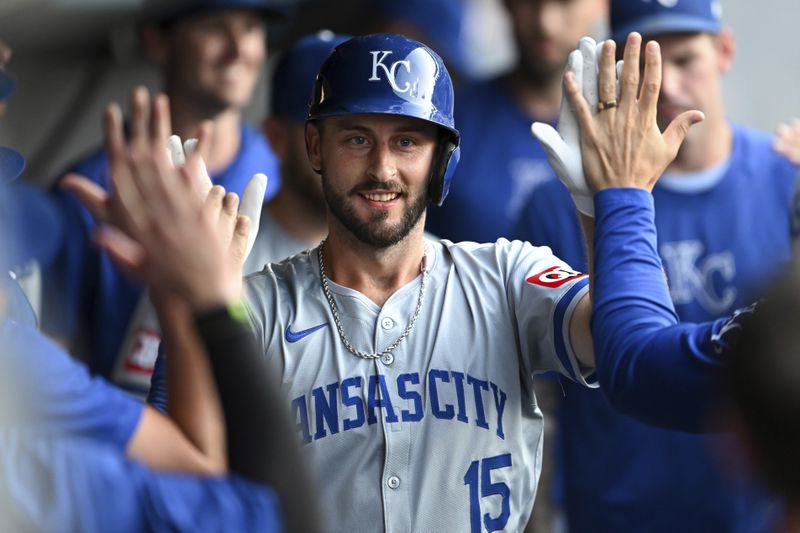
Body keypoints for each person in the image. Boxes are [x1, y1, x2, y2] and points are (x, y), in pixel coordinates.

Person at [223, 32, 703, 531]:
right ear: (315, 148)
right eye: (356, 138)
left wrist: (599, 205)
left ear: (442, 160)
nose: (381, 168)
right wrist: (189, 297)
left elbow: (623, 345)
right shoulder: (256, 306)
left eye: (406, 141)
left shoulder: (506, 277)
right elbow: (176, 463)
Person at [515, 0, 800, 531]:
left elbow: (639, 363)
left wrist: (610, 201)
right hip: (614, 515)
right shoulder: (551, 206)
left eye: (685, 59)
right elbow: (537, 385)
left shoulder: (786, 179)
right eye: (646, 67)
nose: (664, 87)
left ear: (724, 51)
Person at [0, 84, 317, 531]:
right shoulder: (16, 365)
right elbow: (239, 502)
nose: (10, 283)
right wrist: (207, 294)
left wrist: (176, 292)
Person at [39, 0, 284, 392]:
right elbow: (48, 365)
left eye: (252, 27)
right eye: (216, 27)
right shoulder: (90, 188)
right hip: (135, 434)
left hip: (268, 428)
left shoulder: (290, 175)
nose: (240, 49)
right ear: (157, 41)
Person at [425, 0, 606, 243]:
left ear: (602, 5)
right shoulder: (448, 120)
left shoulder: (619, 132)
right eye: (529, 3)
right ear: (507, 4)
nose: (546, 24)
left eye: (565, 2)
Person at [244, 30, 349, 273]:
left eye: (360, 138)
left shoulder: (426, 260)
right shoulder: (230, 261)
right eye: (328, 135)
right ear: (276, 137)